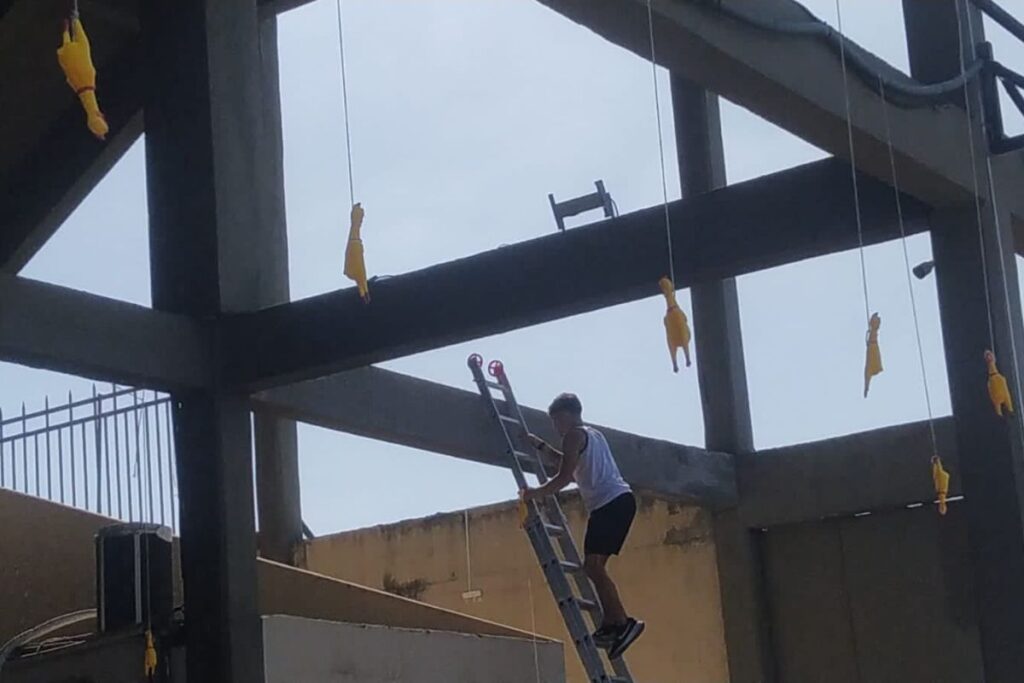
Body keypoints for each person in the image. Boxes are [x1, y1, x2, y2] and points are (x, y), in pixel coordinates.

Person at [523, 392, 644, 659]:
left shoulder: (574, 435)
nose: (556, 427)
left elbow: (565, 476)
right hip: (618, 502)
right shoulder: (592, 434)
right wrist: (540, 445)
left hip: (609, 504)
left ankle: (623, 623)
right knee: (595, 567)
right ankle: (613, 623)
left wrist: (535, 493)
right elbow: (566, 463)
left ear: (566, 415)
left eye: (556, 421)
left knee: (593, 567)